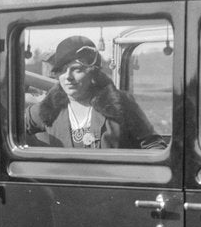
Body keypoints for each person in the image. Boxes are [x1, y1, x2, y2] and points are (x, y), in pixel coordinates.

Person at [25, 35, 165, 150]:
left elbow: (154, 146)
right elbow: (7, 133)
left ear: (93, 73)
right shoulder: (47, 109)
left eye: (77, 69)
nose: (68, 76)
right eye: (62, 70)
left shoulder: (121, 104)